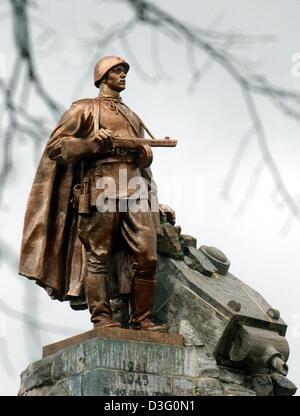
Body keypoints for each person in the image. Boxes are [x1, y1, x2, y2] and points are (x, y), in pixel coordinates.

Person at [19, 56, 171, 332]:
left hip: (135, 187)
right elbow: (57, 148)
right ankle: (102, 317)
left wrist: (145, 157)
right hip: (102, 184)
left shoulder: (132, 115)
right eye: (117, 71)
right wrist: (91, 143)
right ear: (102, 76)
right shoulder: (84, 109)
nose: (123, 75)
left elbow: (144, 169)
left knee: (147, 257)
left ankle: (142, 319)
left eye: (124, 71)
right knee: (97, 255)